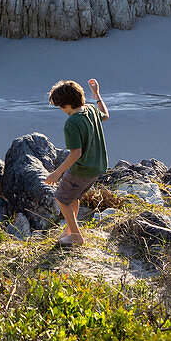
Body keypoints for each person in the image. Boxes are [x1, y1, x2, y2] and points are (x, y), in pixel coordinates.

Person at [44, 79, 109, 246]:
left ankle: (76, 236)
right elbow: (106, 115)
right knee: (73, 197)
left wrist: (56, 173)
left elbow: (76, 153)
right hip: (98, 166)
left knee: (61, 198)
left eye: (60, 106)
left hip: (82, 169)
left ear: (65, 105)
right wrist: (97, 95)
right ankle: (69, 230)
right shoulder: (91, 109)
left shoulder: (72, 123)